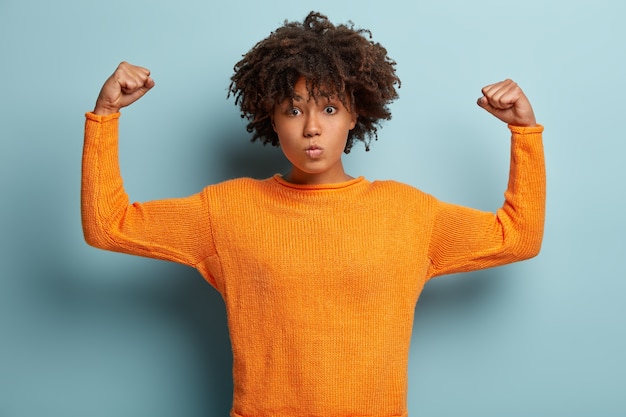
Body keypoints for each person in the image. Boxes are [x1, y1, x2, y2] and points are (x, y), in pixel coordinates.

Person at [81, 11, 545, 417]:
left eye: (328, 107)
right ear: (271, 116)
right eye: (293, 109)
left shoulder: (408, 214)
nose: (312, 127)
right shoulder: (226, 212)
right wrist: (105, 115)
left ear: (354, 115)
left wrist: (524, 132)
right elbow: (109, 225)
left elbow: (518, 236)